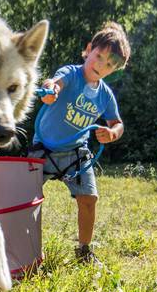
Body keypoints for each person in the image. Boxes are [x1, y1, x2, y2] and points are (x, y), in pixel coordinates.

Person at [31, 22, 130, 265]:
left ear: (114, 70)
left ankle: (84, 251)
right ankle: (29, 250)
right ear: (89, 50)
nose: (100, 65)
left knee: (89, 199)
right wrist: (51, 89)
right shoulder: (71, 74)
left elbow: (118, 122)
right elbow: (53, 82)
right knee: (28, 199)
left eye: (109, 64)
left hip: (76, 153)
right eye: (99, 56)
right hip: (43, 148)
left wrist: (113, 133)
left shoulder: (105, 95)